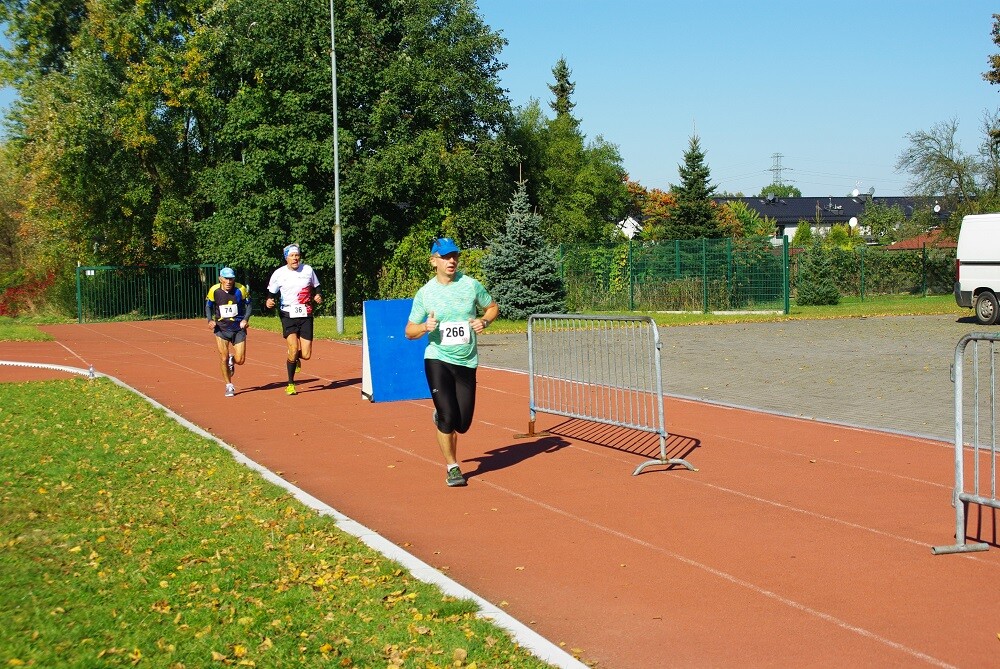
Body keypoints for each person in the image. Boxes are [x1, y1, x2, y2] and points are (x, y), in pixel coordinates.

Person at [405, 237, 499, 487]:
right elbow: (409, 331)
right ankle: (452, 467)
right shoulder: (425, 293)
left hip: (466, 361)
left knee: (463, 423)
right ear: (433, 261)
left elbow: (492, 307)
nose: (451, 260)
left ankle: (442, 415)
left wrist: (484, 321)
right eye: (445, 257)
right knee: (449, 417)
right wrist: (424, 327)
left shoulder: (470, 285)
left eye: (454, 255)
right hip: (438, 358)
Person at [265, 243, 322, 395]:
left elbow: (317, 286)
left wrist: (318, 295)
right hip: (287, 314)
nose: (295, 258)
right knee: (293, 349)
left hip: (305, 313)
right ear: (286, 258)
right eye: (292, 256)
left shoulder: (308, 270)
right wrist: (269, 301)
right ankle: (291, 384)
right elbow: (271, 293)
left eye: (297, 255)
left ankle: (295, 356)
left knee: (307, 355)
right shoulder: (279, 273)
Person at [206, 267, 252, 397]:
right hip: (221, 328)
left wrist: (245, 319)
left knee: (241, 360)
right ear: (220, 279)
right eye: (226, 279)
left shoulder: (241, 289)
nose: (228, 281)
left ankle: (233, 359)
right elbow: (208, 306)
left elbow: (249, 304)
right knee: (223, 358)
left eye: (231, 279)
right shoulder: (214, 290)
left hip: (238, 328)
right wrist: (210, 320)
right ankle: (229, 385)